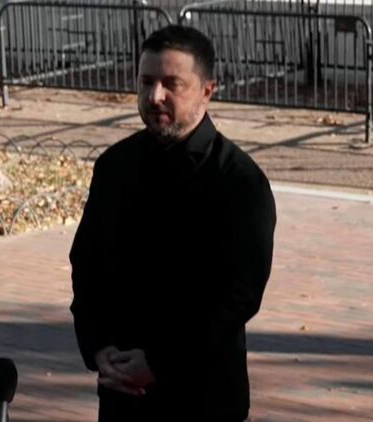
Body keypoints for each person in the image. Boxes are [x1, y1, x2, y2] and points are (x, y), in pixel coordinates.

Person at [69, 25, 276, 422]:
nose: (155, 96)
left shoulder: (240, 182)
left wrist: (160, 363)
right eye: (146, 82)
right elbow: (87, 263)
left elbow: (239, 296)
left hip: (203, 395)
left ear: (207, 91)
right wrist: (98, 347)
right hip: (122, 392)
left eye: (171, 84)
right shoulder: (114, 166)